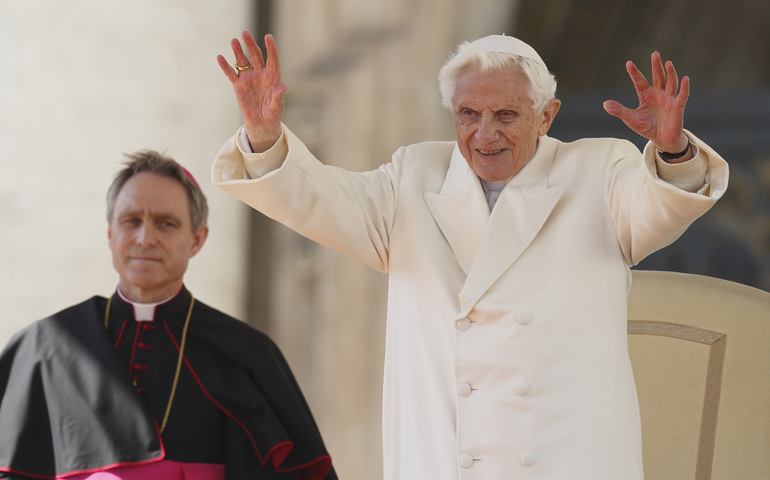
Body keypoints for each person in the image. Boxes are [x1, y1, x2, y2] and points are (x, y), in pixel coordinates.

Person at [211, 32, 728, 480]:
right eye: (468, 114)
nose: (484, 134)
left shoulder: (598, 170)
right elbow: (319, 200)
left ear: (547, 116)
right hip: (445, 460)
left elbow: (659, 206)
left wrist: (674, 151)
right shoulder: (414, 176)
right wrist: (263, 135)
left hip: (567, 462)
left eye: (505, 115)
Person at [0, 151, 336, 480]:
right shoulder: (45, 346)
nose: (145, 239)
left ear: (196, 240)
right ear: (110, 233)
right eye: (131, 221)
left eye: (166, 223)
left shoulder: (246, 354)